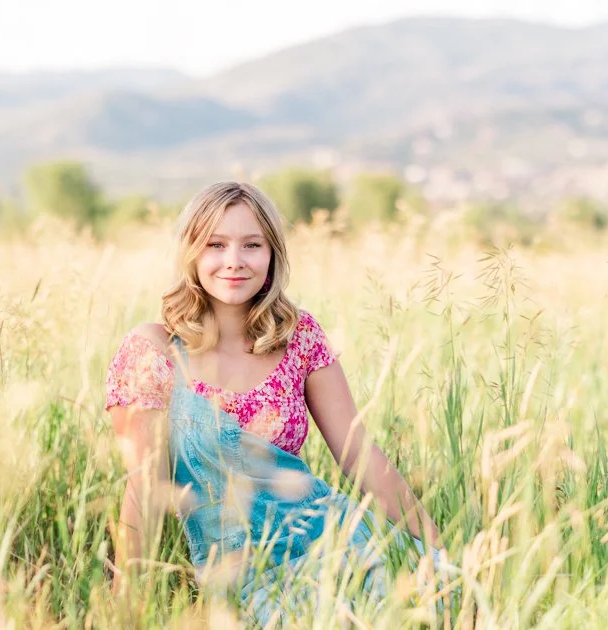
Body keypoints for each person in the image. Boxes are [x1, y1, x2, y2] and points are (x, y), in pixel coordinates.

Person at [104, 181, 451, 626]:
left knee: (432, 599)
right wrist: (125, 609)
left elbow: (359, 455)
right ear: (191, 252)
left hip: (338, 537)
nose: (234, 260)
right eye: (215, 244)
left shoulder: (299, 336)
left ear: (272, 254)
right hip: (245, 574)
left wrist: (439, 553)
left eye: (252, 244)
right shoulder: (155, 352)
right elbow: (144, 488)